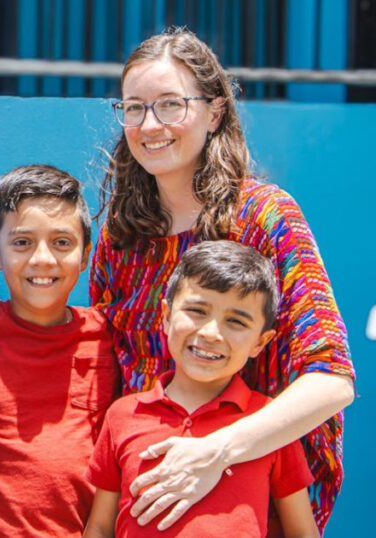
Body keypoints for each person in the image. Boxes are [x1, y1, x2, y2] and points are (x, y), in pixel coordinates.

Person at [90, 28, 354, 532]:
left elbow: (331, 381)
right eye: (134, 108)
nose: (150, 125)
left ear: (214, 113)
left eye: (171, 105)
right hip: (145, 511)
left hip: (255, 512)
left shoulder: (266, 218)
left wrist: (214, 452)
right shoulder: (120, 239)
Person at [84, 240, 319, 538]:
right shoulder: (123, 415)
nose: (210, 332)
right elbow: (100, 527)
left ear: (260, 343)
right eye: (197, 310)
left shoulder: (271, 422)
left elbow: (302, 531)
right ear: (166, 316)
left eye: (236, 321)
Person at [0, 165, 118, 537]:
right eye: (22, 243)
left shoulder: (109, 337)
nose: (43, 258)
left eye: (62, 243)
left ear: (85, 255)